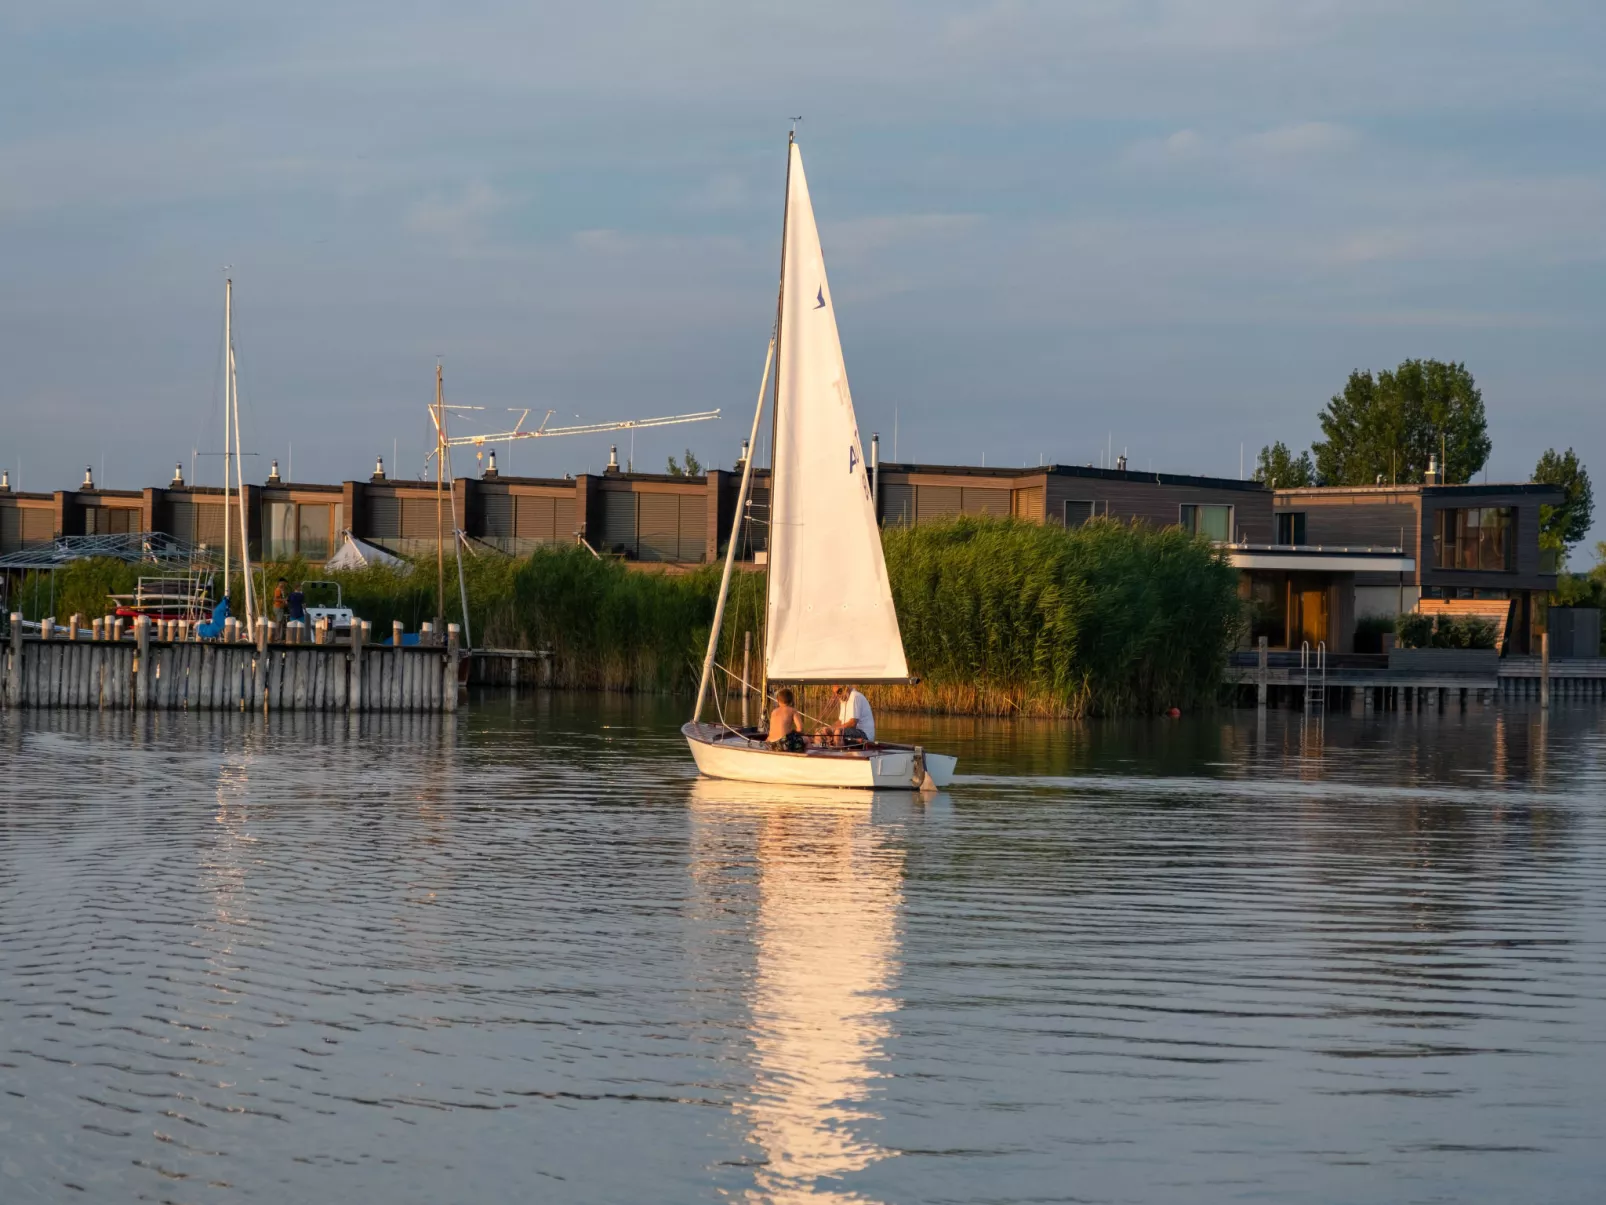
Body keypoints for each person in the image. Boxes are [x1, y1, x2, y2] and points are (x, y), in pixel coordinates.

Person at [817, 683, 874, 747]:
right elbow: (840, 721)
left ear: (846, 688)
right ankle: (817, 753)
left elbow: (852, 723)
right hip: (850, 731)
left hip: (864, 734)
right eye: (835, 693)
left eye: (839, 691)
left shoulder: (855, 696)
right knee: (820, 732)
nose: (837, 695)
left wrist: (834, 729)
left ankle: (838, 754)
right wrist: (829, 729)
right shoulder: (844, 698)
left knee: (838, 732)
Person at [766, 687, 806, 752]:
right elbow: (800, 728)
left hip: (772, 743)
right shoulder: (792, 710)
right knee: (806, 739)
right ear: (791, 700)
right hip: (783, 744)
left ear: (778, 700)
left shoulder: (774, 711)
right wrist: (795, 732)